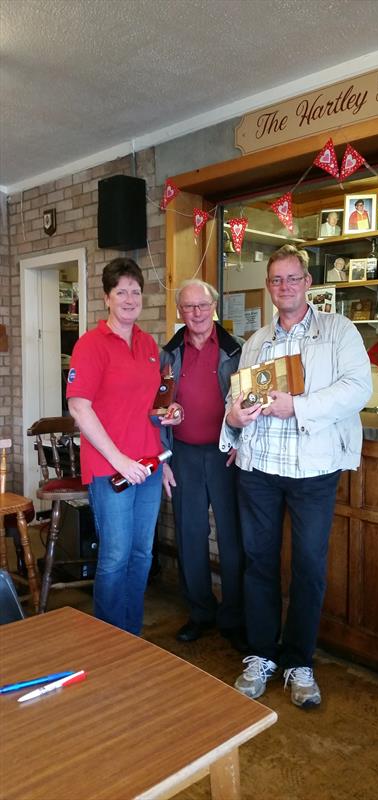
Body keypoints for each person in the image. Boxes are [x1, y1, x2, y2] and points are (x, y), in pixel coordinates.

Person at [219, 244, 372, 708]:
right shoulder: (255, 342)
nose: (284, 287)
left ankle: (299, 661)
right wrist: (233, 420)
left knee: (308, 566)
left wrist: (297, 406)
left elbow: (357, 388)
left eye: (292, 279)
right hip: (260, 468)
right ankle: (261, 655)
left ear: (307, 283)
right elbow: (238, 400)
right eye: (276, 280)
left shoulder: (339, 331)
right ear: (270, 288)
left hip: (314, 470)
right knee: (259, 562)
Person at [67, 257, 182, 635]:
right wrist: (118, 459)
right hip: (111, 470)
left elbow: (150, 408)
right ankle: (108, 641)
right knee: (115, 558)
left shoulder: (149, 345)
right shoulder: (90, 345)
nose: (130, 298)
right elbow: (79, 408)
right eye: (122, 292)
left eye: (135, 291)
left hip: (148, 467)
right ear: (107, 298)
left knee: (141, 554)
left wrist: (167, 425)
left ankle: (131, 637)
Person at [160, 279, 246, 652]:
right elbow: (157, 406)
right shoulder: (169, 354)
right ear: (180, 312)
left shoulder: (236, 351)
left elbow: (250, 404)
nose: (195, 313)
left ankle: (233, 616)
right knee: (190, 536)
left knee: (231, 538)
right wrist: (163, 457)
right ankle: (200, 612)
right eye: (187, 307)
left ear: (213, 307)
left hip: (224, 454)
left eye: (201, 306)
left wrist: (241, 444)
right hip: (184, 455)